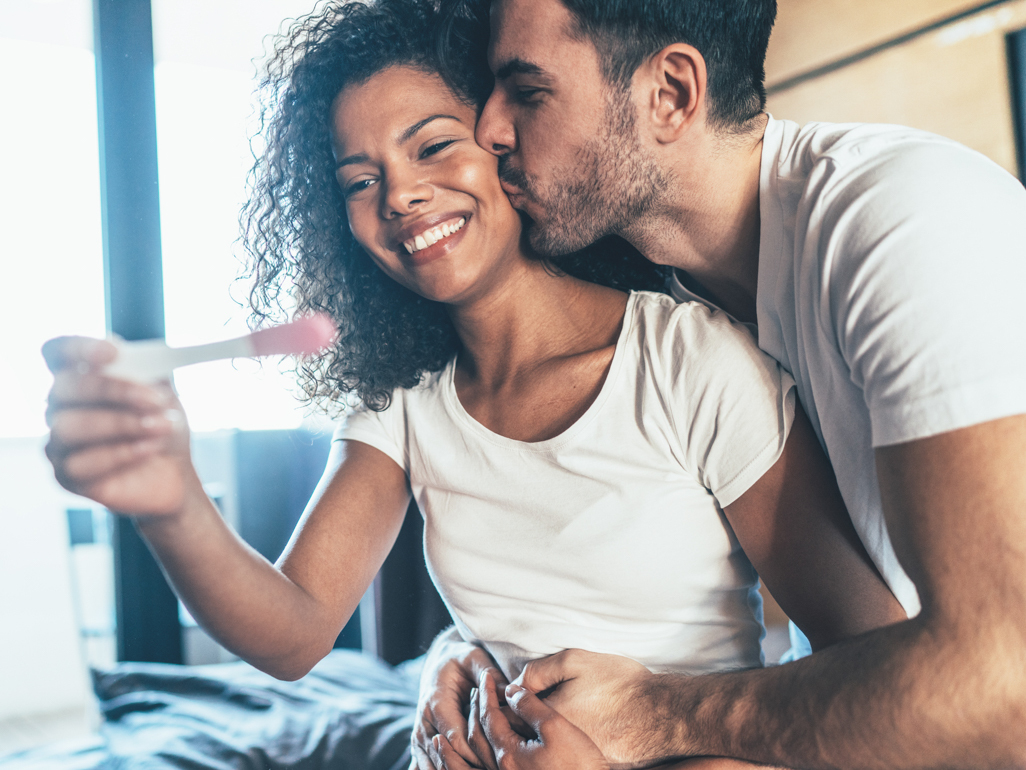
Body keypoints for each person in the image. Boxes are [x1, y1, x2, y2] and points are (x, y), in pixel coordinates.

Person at [41, 2, 904, 769]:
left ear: (504, 143)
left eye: (433, 145)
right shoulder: (403, 398)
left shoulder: (687, 362)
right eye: (361, 181)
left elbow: (869, 666)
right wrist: (171, 504)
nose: (402, 195)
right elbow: (296, 630)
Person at [412, 0, 1026, 768]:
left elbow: (1005, 693)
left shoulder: (908, 222)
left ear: (671, 93)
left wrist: (659, 715)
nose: (489, 129)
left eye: (527, 91)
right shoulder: (668, 308)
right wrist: (467, 661)